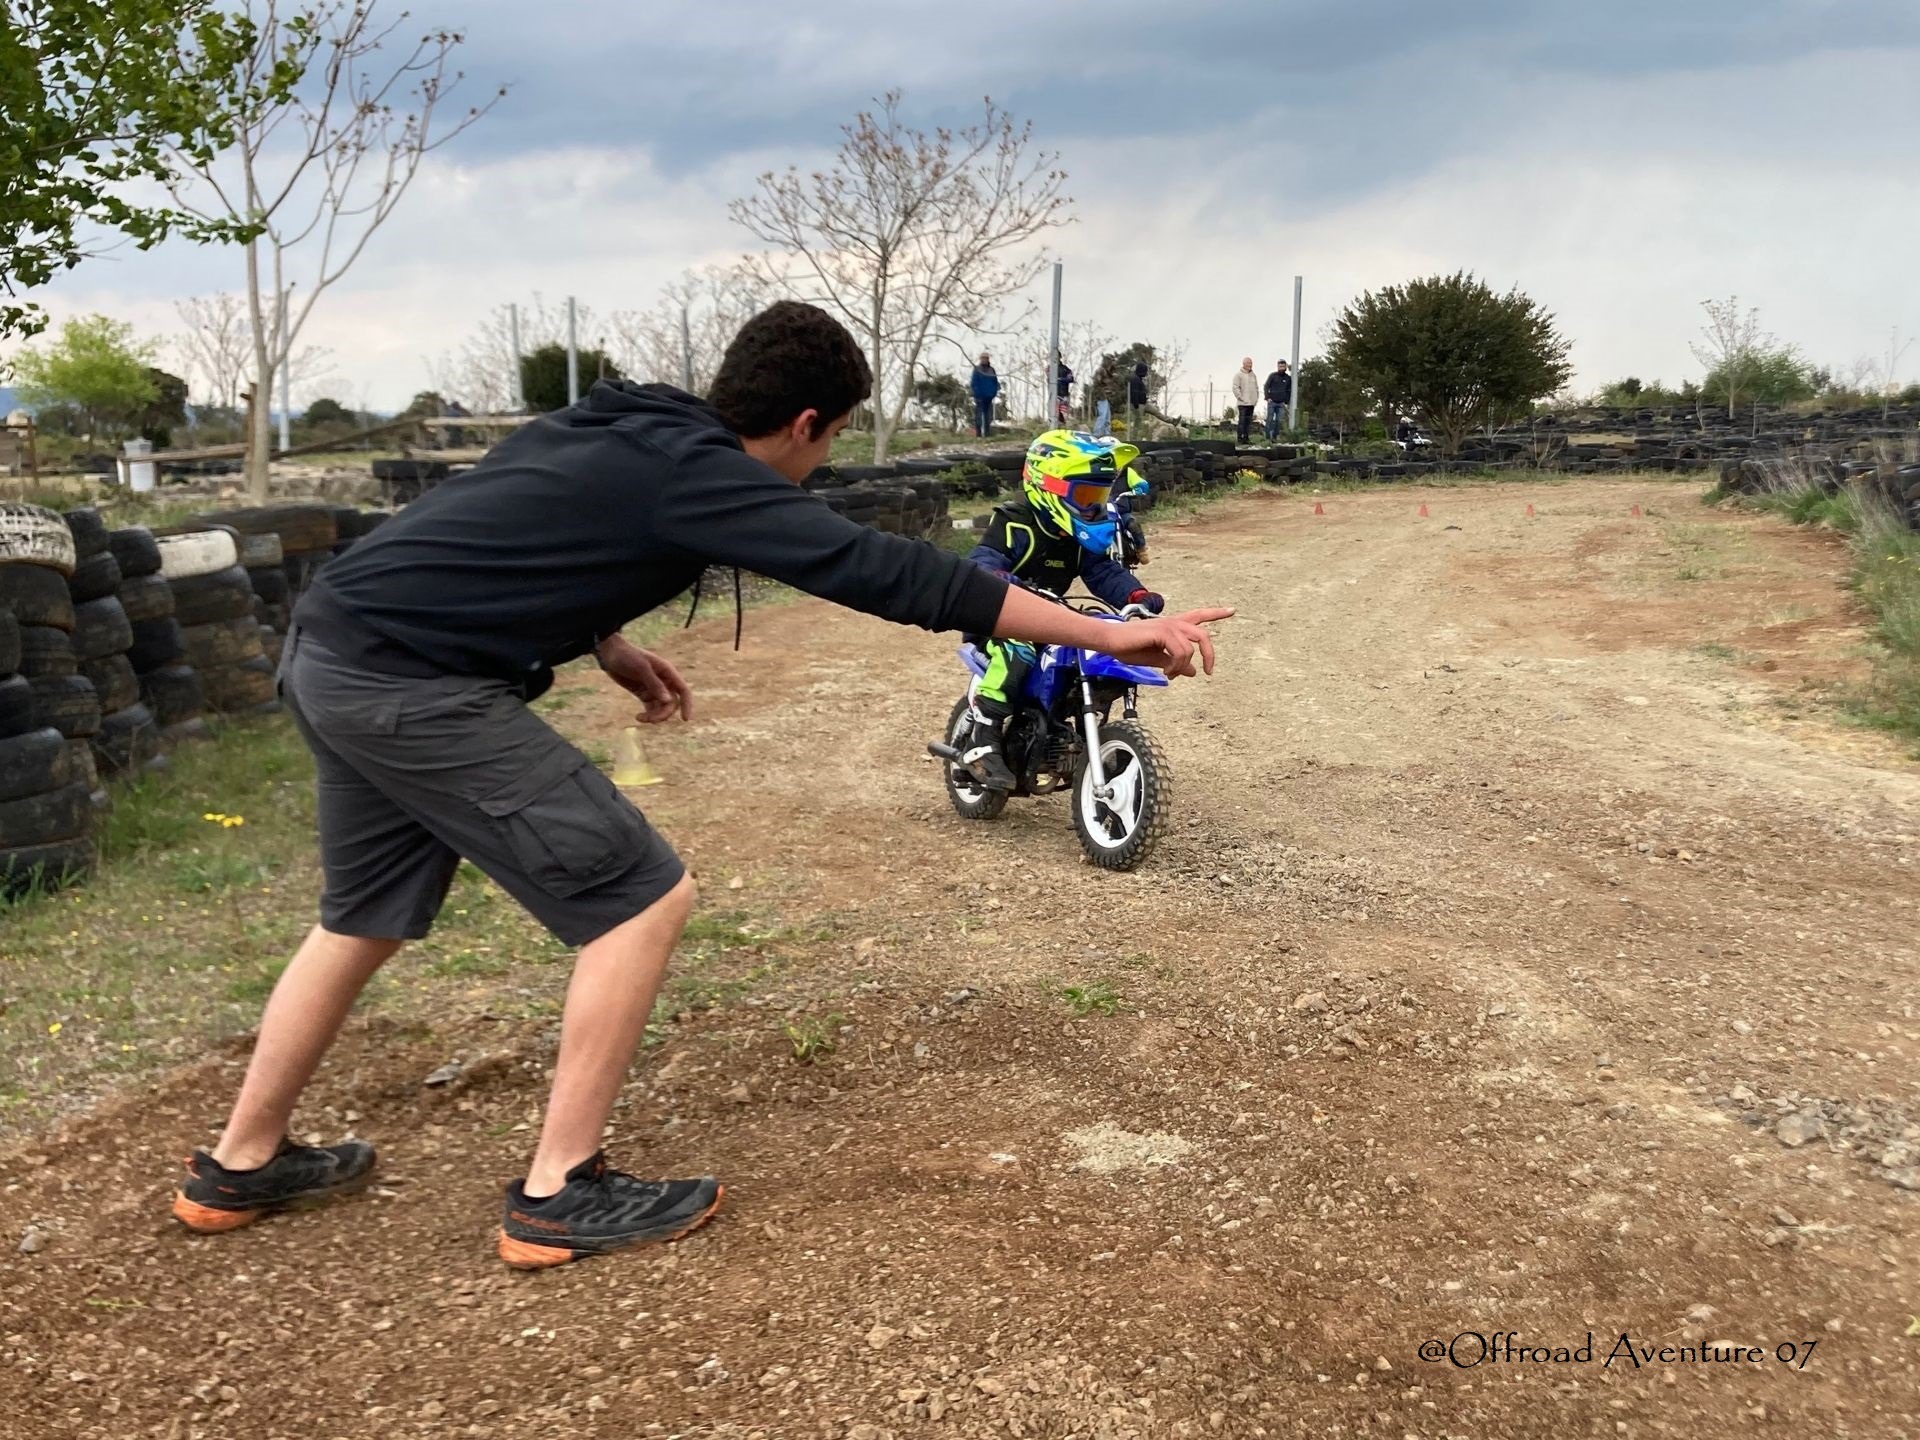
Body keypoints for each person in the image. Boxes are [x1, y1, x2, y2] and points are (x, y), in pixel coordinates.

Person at [166, 301, 1231, 1269]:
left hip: (336, 645)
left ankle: (240, 1163)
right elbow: (901, 576)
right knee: (638, 898)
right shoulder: (711, 477)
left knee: (362, 915)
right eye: (833, 444)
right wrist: (1108, 630)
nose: (823, 467)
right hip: (412, 681)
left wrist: (606, 642)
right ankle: (557, 1195)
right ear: (808, 423)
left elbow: (517, 524)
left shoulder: (633, 421)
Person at [958, 431, 1163, 791]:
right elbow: (983, 561)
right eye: (1085, 495)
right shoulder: (1013, 521)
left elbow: (1101, 572)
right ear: (1047, 486)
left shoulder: (1075, 537)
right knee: (1017, 650)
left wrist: (1137, 595)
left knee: (1094, 641)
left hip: (1049, 619)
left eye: (1099, 496)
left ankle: (1076, 739)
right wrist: (999, 578)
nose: (1093, 506)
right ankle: (983, 739)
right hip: (1000, 618)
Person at [969, 354, 999, 438]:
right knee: (978, 415)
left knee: (987, 416)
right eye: (982, 358)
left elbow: (995, 382)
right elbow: (974, 383)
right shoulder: (977, 369)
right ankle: (978, 434)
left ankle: (987, 434)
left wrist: (993, 393)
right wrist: (977, 393)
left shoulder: (992, 370)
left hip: (989, 396)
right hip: (979, 396)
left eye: (985, 358)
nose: (984, 360)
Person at [1231, 357, 1259, 444]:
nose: (1250, 365)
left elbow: (1256, 388)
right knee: (1242, 421)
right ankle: (1240, 438)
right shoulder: (1238, 375)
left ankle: (1246, 438)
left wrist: (1256, 399)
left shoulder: (1253, 375)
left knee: (1248, 422)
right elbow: (1235, 387)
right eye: (1248, 363)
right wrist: (1240, 397)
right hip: (1243, 403)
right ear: (1244, 364)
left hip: (1251, 403)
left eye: (1251, 363)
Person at [1263, 361, 1292, 441]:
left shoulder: (1288, 378)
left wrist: (1286, 401)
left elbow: (1289, 391)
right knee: (1270, 419)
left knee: (1279, 421)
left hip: (1281, 403)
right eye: (1280, 366)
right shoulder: (1273, 376)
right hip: (1272, 402)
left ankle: (1275, 437)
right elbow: (1266, 386)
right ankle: (1268, 438)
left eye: (1283, 366)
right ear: (1277, 367)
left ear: (1285, 367)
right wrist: (1267, 397)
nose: (1282, 368)